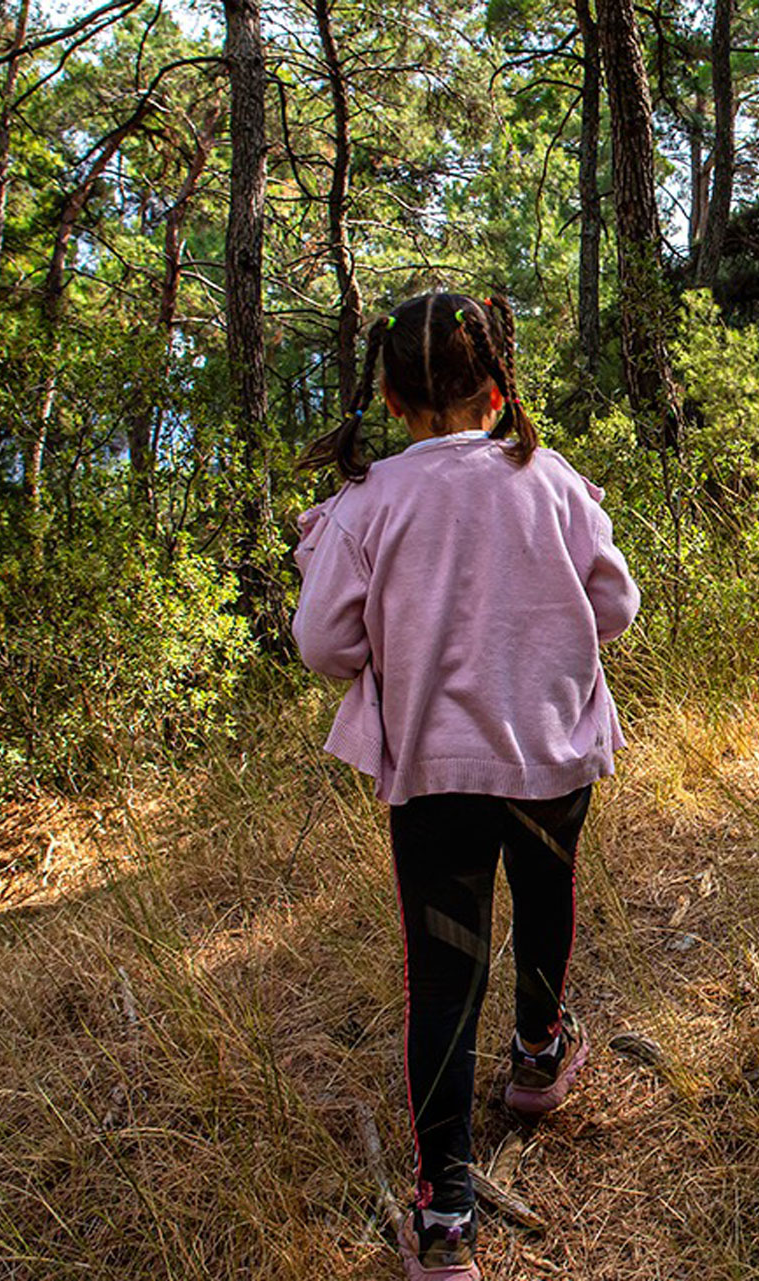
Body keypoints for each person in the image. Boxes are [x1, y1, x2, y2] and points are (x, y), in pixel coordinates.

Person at [292, 290, 639, 1281]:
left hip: (435, 774)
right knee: (544, 900)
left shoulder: (371, 502)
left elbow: (322, 642)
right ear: (497, 388)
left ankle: (444, 1218)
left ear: (392, 399)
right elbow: (615, 606)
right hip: (550, 754)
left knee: (444, 974)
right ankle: (536, 1059)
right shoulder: (551, 479)